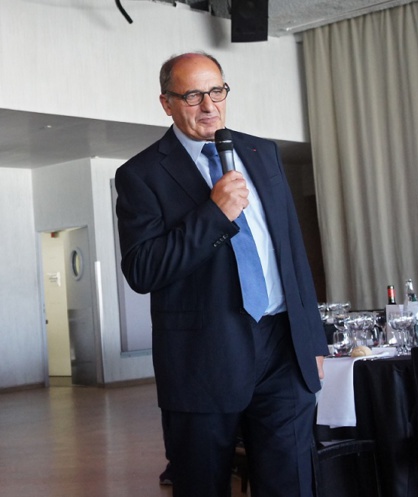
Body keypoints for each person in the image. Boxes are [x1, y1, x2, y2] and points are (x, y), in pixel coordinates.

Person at [114, 51, 328, 497]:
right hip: (202, 358)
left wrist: (313, 339)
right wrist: (214, 214)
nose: (209, 105)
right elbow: (143, 269)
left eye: (216, 91)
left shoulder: (261, 152)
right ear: (166, 103)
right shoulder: (141, 174)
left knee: (292, 482)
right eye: (192, 95)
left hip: (283, 347)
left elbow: (291, 251)